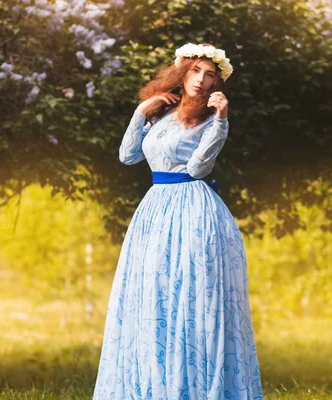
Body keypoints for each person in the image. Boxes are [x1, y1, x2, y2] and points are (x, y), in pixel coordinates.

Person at [93, 42, 263, 399]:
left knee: (194, 296)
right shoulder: (161, 116)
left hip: (194, 210)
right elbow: (128, 156)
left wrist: (220, 120)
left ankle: (196, 387)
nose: (201, 80)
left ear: (218, 83)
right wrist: (142, 110)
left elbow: (200, 167)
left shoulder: (211, 120)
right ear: (182, 73)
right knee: (155, 296)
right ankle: (159, 384)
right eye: (195, 71)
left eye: (210, 75)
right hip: (155, 210)